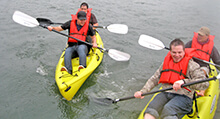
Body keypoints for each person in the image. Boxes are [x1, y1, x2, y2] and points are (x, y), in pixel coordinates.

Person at [134, 39, 209, 119]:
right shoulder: (166, 63)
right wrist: (143, 91)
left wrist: (184, 82)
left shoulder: (192, 65)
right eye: (174, 52)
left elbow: (204, 84)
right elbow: (154, 79)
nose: (177, 55)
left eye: (179, 52)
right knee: (151, 109)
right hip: (166, 93)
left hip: (184, 96)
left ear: (184, 51)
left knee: (168, 109)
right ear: (170, 52)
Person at [185, 26, 220, 96]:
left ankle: (202, 91)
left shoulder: (212, 48)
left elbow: (217, 61)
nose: (199, 36)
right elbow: (182, 52)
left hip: (203, 66)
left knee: (202, 72)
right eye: (198, 34)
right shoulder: (190, 43)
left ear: (207, 36)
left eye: (201, 35)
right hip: (191, 64)